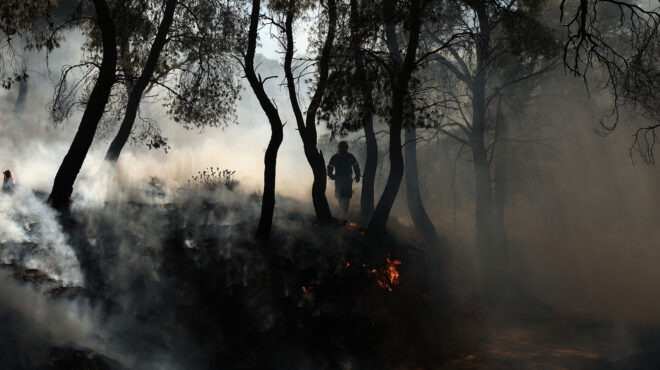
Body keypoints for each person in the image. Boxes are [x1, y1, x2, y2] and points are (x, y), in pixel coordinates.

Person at [327, 141, 360, 214]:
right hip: (338, 179)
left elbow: (356, 166)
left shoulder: (350, 156)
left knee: (347, 196)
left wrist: (357, 175)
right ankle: (343, 210)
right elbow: (330, 167)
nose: (343, 149)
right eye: (342, 148)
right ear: (339, 148)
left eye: (344, 148)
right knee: (339, 195)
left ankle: (345, 211)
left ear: (347, 148)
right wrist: (331, 175)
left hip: (347, 179)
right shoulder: (335, 157)